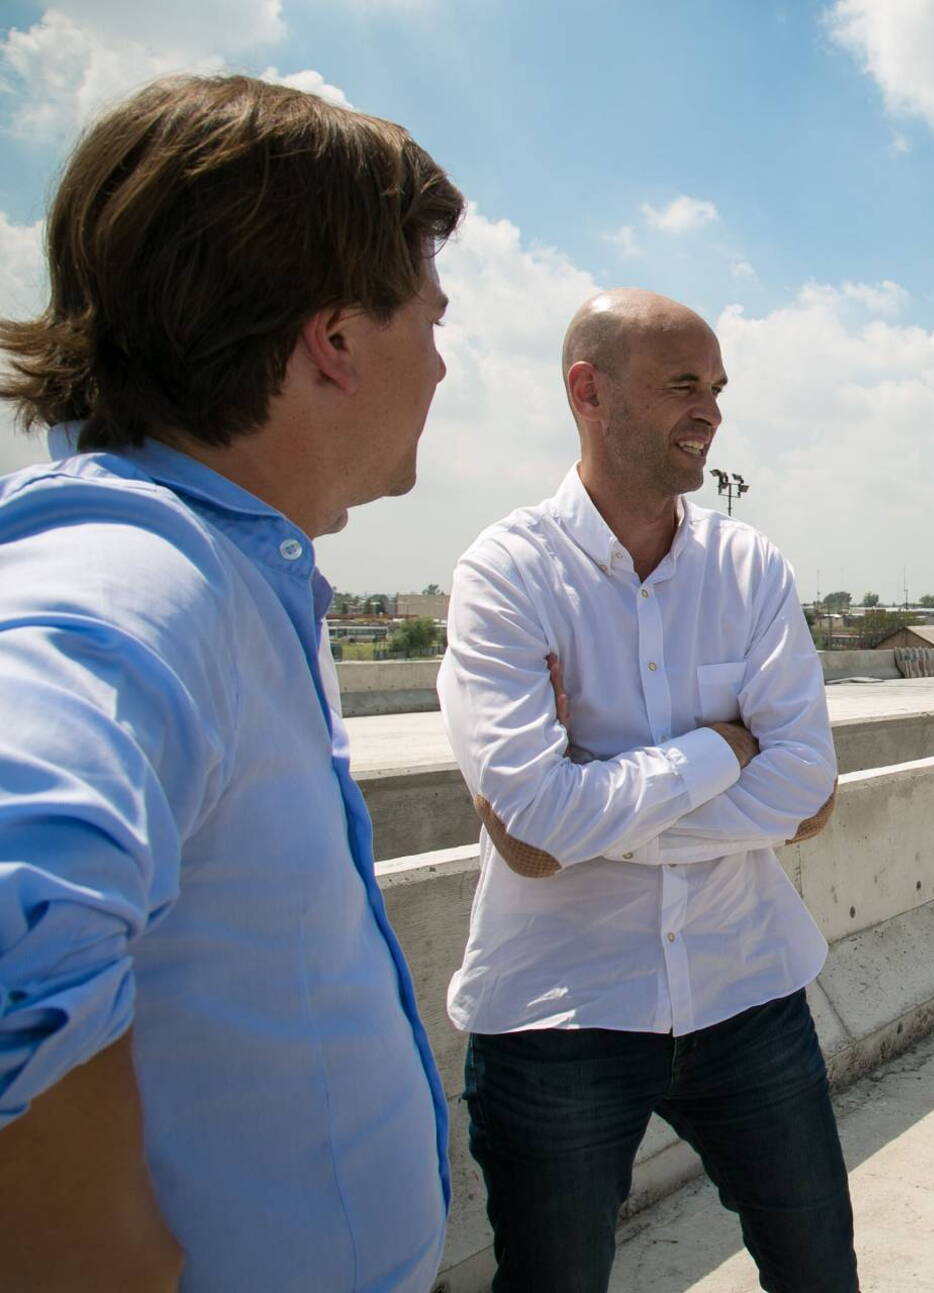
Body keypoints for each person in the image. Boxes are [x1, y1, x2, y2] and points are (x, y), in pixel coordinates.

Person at [0, 76, 462, 1290]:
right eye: (430, 318)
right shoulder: (131, 579)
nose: (445, 366)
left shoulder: (228, 566)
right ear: (336, 340)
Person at [436, 290, 852, 1293]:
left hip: (746, 992)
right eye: (679, 386)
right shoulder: (507, 574)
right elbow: (536, 828)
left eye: (713, 389)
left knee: (819, 1274)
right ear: (587, 390)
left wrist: (584, 812)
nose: (707, 412)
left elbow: (807, 787)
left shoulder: (745, 566)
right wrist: (720, 748)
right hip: (558, 1021)